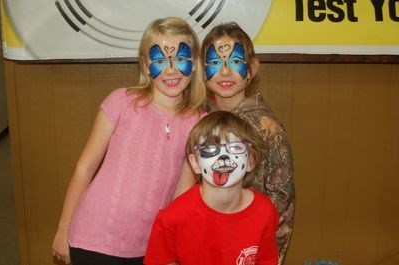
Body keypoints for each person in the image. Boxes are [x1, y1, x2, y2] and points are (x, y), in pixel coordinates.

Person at [51, 17, 207, 265]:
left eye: (180, 58)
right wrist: (63, 228)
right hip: (93, 237)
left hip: (146, 246)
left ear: (195, 62)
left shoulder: (200, 123)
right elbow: (85, 168)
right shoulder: (121, 102)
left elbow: (182, 194)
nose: (171, 70)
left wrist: (172, 249)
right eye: (159, 60)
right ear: (145, 65)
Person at [200, 22, 295, 265]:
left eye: (235, 62)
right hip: (202, 244)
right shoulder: (197, 120)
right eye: (214, 63)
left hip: (248, 249)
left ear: (251, 68)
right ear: (202, 69)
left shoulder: (267, 129)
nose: (224, 72)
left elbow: (282, 204)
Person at [144, 111, 279, 265]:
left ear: (251, 160)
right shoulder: (172, 218)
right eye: (210, 149)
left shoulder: (265, 211)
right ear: (195, 163)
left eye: (235, 147)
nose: (223, 157)